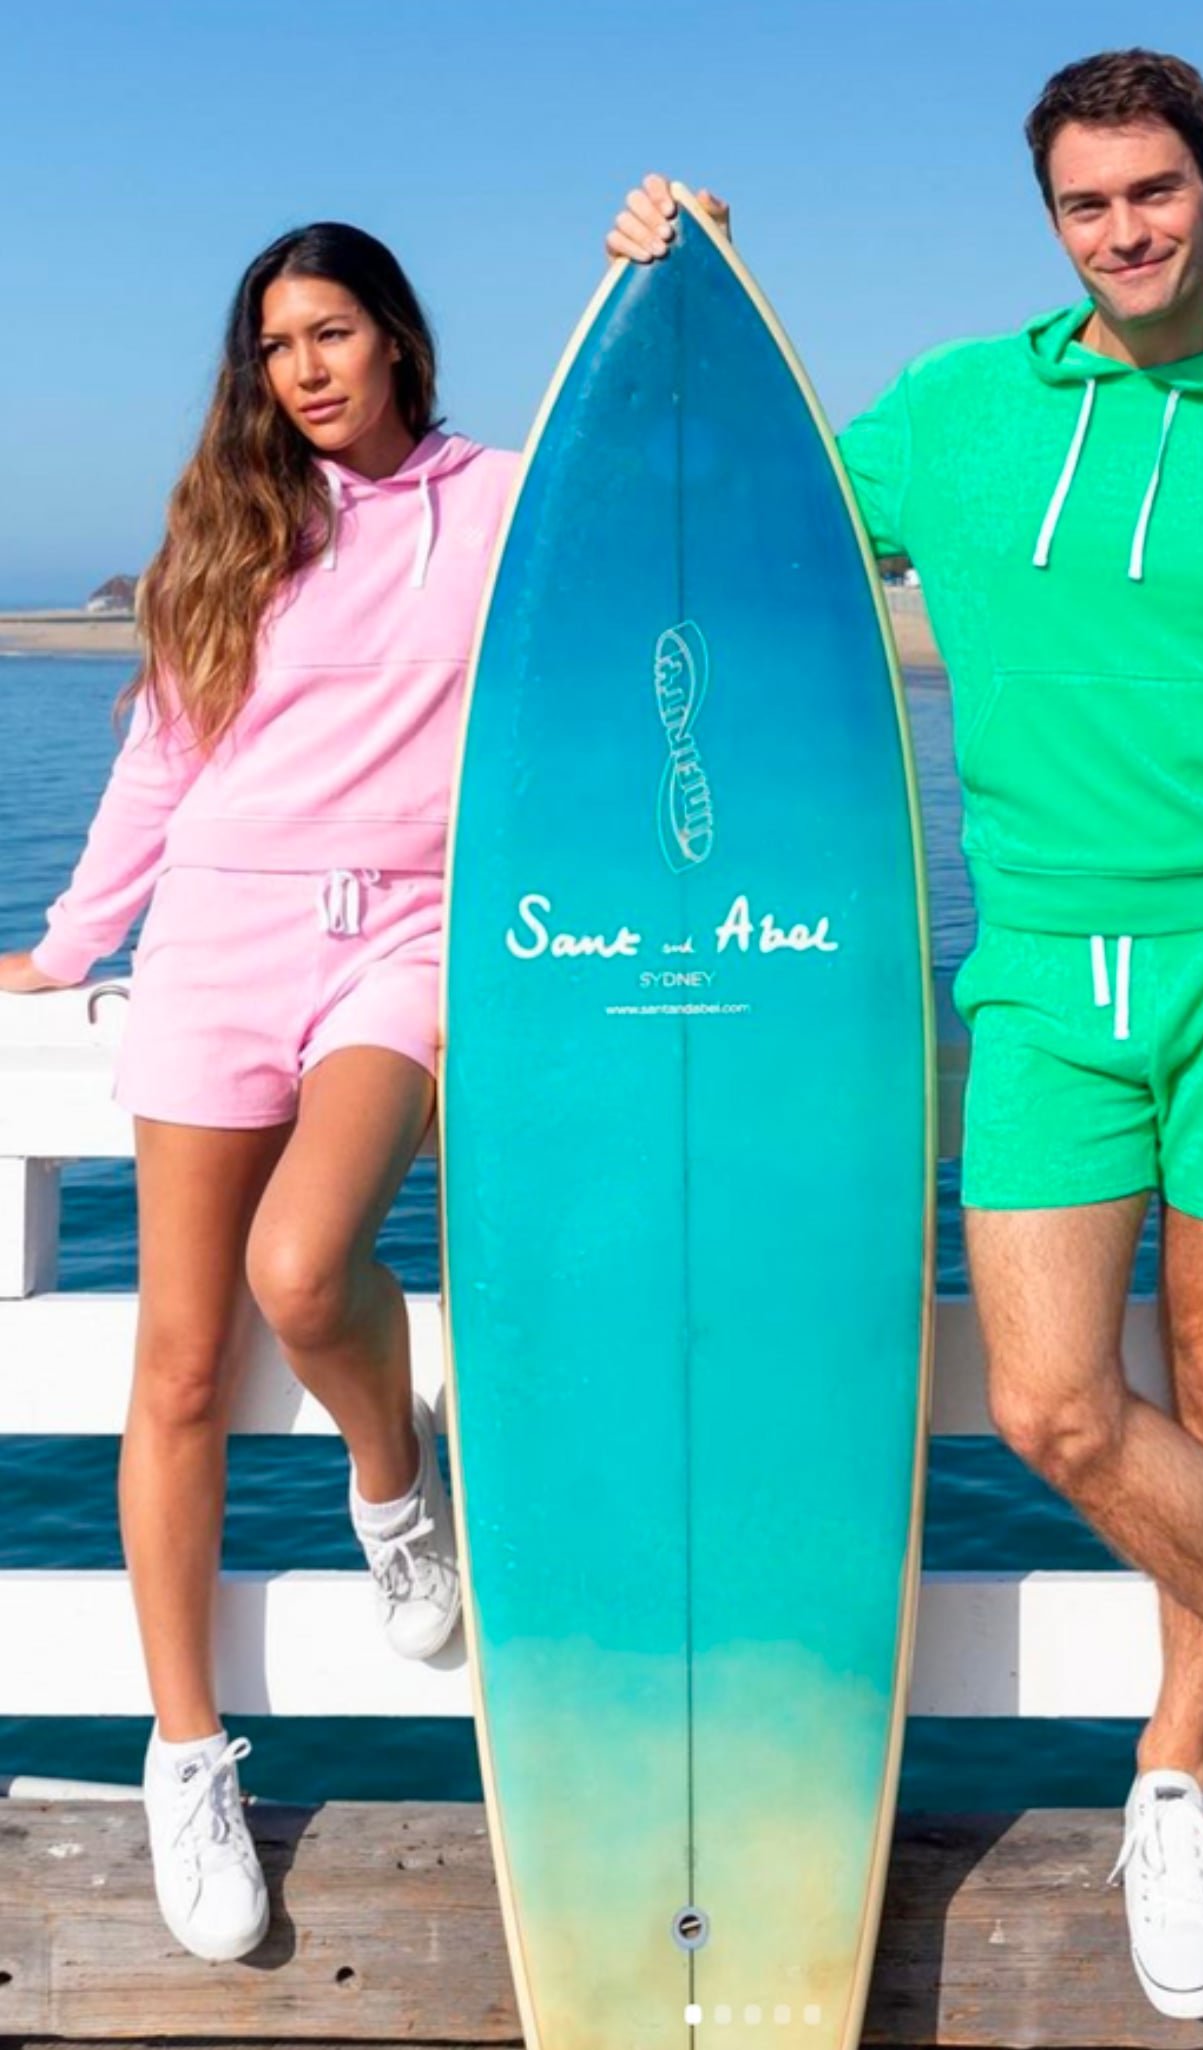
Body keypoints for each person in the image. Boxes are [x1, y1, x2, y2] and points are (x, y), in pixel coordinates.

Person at [608, 46, 1203, 2023]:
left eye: (1154, 191)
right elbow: (752, 520)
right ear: (1052, 216)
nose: (1126, 230)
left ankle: (1172, 1779)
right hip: (1041, 979)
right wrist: (698, 289)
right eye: (1089, 203)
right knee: (1051, 1404)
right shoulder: (960, 411)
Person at [0, 223, 518, 1962]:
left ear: (397, 338)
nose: (306, 368)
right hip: (214, 944)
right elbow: (166, 751)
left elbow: (681, 499)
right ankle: (188, 1751)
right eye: (278, 343)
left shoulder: (502, 496)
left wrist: (685, 264)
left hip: (406, 945)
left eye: (335, 332)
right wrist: (71, 943)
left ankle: (391, 1480)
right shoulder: (229, 524)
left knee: (305, 1269)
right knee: (178, 1359)